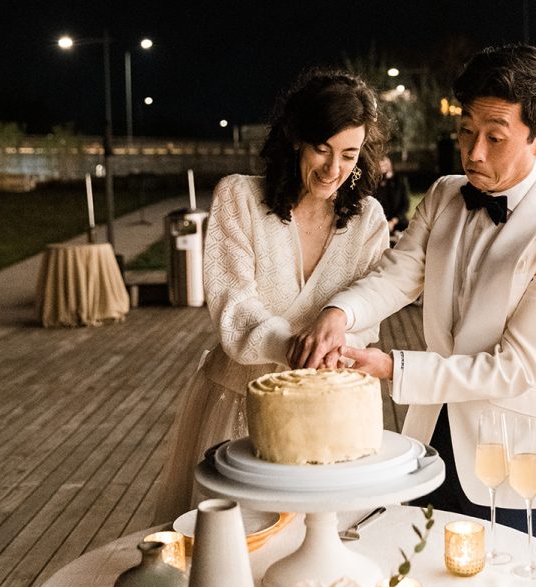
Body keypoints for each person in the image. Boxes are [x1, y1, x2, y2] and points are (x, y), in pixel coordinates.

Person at [288, 43, 536, 555]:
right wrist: (338, 314)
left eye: (495, 138)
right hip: (431, 444)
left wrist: (393, 366)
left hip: (517, 460)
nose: (473, 152)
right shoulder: (443, 195)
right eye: (466, 131)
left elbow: (513, 368)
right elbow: (395, 277)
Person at [154, 68, 390, 522]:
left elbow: (365, 323)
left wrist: (334, 349)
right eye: (322, 149)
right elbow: (233, 307)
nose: (333, 169)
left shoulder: (369, 221)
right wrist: (292, 346)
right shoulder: (238, 198)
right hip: (238, 404)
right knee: (232, 553)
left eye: (349, 154)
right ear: (295, 138)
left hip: (330, 415)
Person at [374, 154, 411, 240]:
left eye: (384, 164)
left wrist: (393, 222)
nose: (382, 167)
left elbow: (405, 205)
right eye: (379, 165)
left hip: (399, 223)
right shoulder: (374, 184)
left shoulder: (400, 181)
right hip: (381, 224)